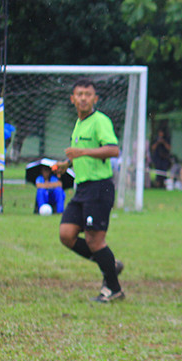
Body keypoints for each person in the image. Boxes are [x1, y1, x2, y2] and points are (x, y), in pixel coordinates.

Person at [53, 78, 125, 304]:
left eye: (88, 94)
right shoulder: (79, 123)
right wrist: (68, 164)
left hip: (99, 187)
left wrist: (81, 152)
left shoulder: (100, 121)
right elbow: (81, 154)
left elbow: (113, 150)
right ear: (72, 99)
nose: (83, 98)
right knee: (66, 234)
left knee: (95, 241)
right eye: (79, 94)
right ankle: (110, 265)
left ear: (95, 99)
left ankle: (114, 289)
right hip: (83, 188)